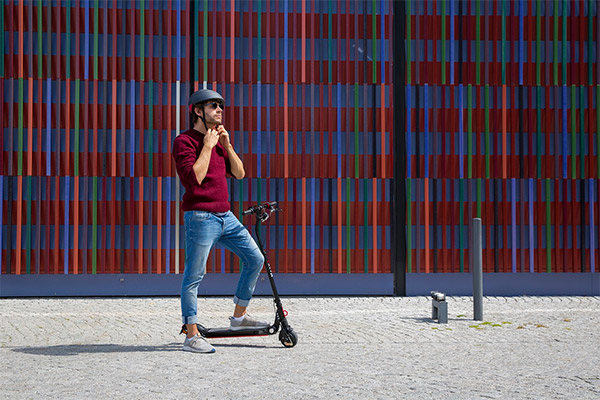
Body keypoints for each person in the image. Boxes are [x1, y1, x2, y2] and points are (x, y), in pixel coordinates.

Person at [172, 88, 268, 353]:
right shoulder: (185, 142)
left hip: (226, 216)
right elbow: (195, 178)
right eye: (214, 106)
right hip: (201, 218)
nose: (220, 110)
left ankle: (238, 318)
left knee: (255, 258)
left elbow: (239, 173)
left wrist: (226, 145)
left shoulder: (219, 141)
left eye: (220, 106)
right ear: (197, 111)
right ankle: (191, 336)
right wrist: (207, 146)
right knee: (194, 275)